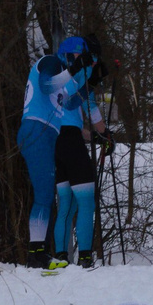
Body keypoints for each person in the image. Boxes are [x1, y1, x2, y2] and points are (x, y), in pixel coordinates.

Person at [22, 35, 91, 268]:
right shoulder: (51, 62)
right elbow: (45, 85)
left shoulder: (64, 75)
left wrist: (91, 81)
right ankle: (36, 253)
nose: (80, 61)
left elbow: (70, 103)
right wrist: (73, 71)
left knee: (46, 194)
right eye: (78, 57)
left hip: (48, 132)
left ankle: (39, 250)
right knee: (43, 194)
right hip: (36, 127)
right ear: (69, 54)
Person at [51, 34, 108, 269]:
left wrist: (103, 135)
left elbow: (87, 109)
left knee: (66, 203)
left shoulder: (57, 78)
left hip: (56, 141)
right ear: (73, 55)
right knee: (85, 200)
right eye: (88, 57)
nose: (91, 62)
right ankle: (85, 256)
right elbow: (84, 106)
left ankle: (62, 257)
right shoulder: (72, 78)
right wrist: (102, 135)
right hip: (70, 142)